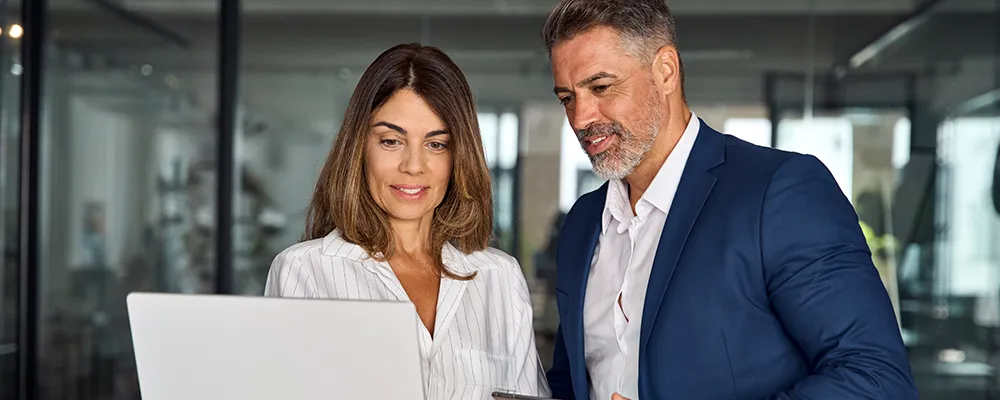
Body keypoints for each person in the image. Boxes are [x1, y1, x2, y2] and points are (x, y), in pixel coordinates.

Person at [540, 1, 919, 399]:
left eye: (601, 87)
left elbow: (877, 379)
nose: (581, 118)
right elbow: (574, 380)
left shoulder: (778, 192)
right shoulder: (583, 221)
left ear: (665, 71)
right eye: (567, 97)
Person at [263, 43, 551, 400]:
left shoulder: (500, 278)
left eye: (436, 145)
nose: (413, 166)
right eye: (391, 141)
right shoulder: (304, 271)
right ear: (359, 149)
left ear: (458, 156)